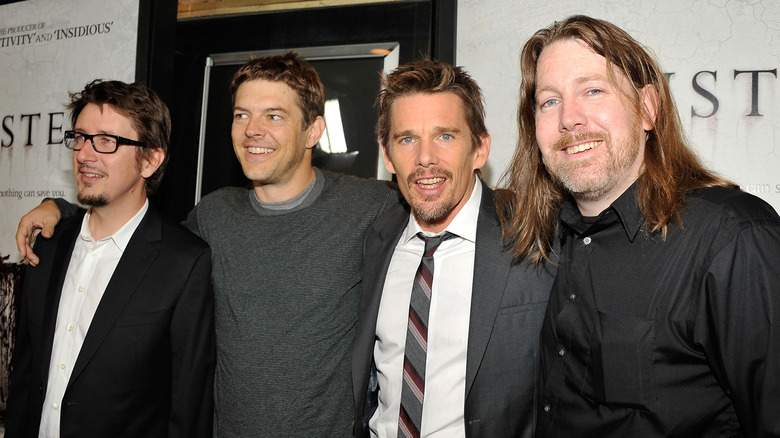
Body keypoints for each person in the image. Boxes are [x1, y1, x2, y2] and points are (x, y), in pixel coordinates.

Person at [16, 52, 399, 437]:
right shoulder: (214, 215)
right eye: (241, 115)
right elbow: (138, 241)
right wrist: (63, 212)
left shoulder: (370, 206)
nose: (252, 129)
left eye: (274, 115)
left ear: (313, 131)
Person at [497, 15, 780, 437]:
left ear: (647, 108)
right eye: (549, 101)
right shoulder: (545, 239)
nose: (569, 119)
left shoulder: (732, 238)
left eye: (593, 90)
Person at [352, 59, 556, 438]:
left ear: (480, 149)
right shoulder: (376, 239)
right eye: (407, 139)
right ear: (387, 155)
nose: (425, 158)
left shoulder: (534, 234)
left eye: (445, 136)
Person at [5, 80, 215, 438]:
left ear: (150, 159)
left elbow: (188, 407)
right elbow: (25, 378)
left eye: (107, 141)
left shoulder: (184, 263)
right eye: (81, 137)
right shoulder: (48, 244)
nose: (85, 154)